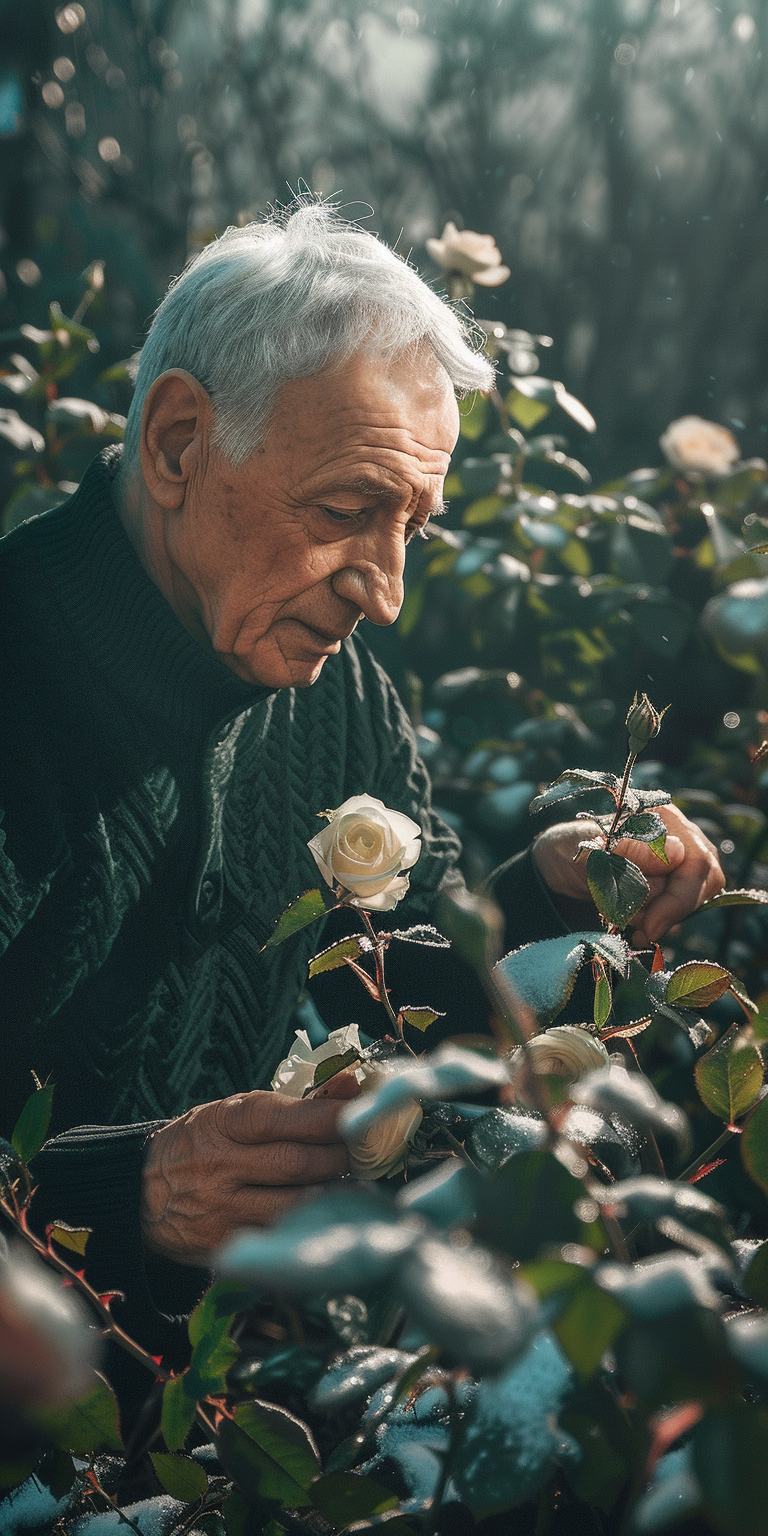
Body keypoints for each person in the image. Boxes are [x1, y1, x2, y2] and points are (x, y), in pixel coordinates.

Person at [0, 204, 723, 1386]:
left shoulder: (342, 700)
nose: (384, 594)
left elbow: (413, 985)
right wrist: (120, 1194)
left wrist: (544, 900)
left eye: (414, 527)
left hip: (244, 1406)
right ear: (179, 442)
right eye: (347, 511)